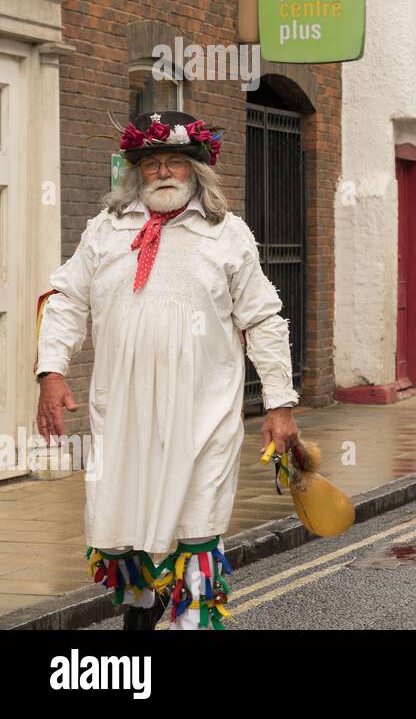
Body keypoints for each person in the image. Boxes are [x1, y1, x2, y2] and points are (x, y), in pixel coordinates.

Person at [36, 112, 298, 630]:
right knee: (122, 522)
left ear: (197, 170)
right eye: (150, 163)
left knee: (195, 522)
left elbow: (263, 319)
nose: (162, 172)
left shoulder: (228, 234)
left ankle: (193, 619)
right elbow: (66, 299)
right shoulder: (105, 229)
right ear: (135, 172)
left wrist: (280, 404)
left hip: (202, 415)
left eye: (174, 162)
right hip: (124, 413)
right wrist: (51, 372)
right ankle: (139, 617)